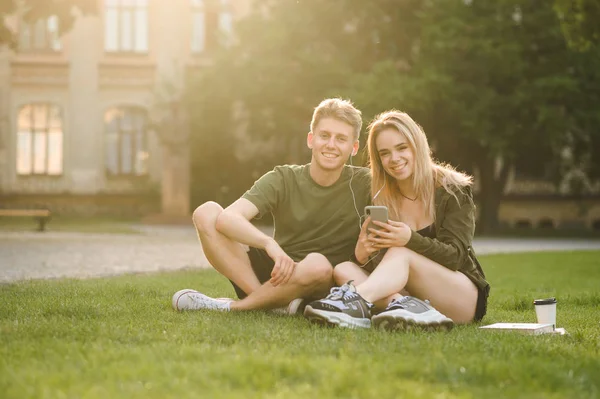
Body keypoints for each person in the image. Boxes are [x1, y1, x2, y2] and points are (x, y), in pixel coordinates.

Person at [172, 98, 371, 314]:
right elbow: (227, 218)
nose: (331, 144)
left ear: (354, 147)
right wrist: (268, 243)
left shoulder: (366, 182)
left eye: (341, 138)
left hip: (319, 281)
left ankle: (238, 307)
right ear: (311, 139)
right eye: (324, 136)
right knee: (206, 212)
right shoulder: (284, 177)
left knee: (317, 264)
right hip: (277, 273)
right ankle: (270, 303)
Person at [303, 110, 490, 330]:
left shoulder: (452, 190)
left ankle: (354, 303)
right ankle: (402, 308)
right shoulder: (381, 197)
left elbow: (455, 257)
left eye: (402, 148)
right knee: (344, 268)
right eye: (385, 153)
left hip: (461, 297)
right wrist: (362, 255)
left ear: (417, 145)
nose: (394, 159)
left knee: (401, 253)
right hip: (412, 295)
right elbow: (388, 270)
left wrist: (409, 239)